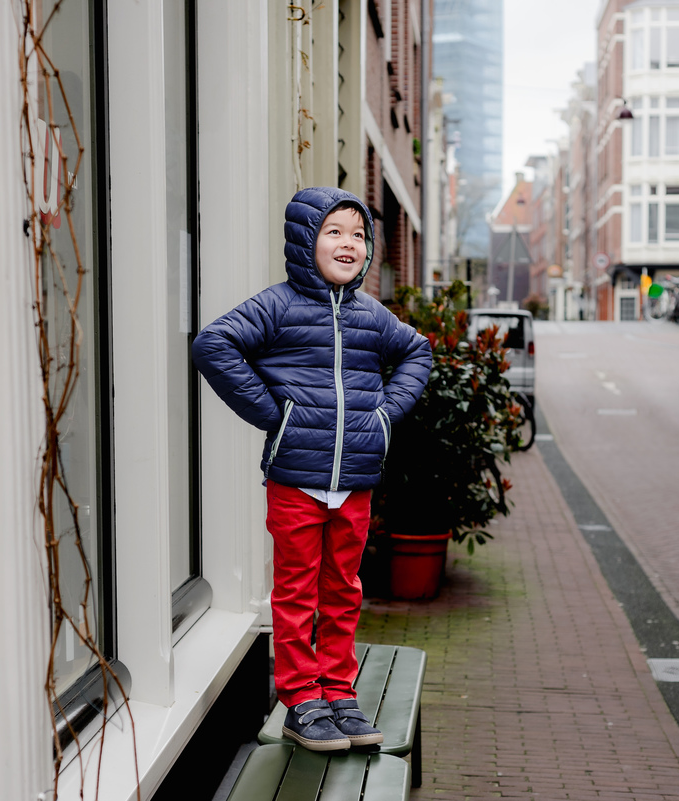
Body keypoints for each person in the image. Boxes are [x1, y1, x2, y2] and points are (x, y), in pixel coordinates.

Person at [191, 187, 432, 751]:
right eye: (334, 232)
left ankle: (338, 691)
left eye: (358, 234)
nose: (348, 244)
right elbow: (213, 344)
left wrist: (385, 415)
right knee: (298, 588)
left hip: (355, 481)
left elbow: (418, 352)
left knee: (343, 587)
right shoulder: (277, 305)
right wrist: (275, 415)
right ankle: (301, 698)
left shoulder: (372, 315)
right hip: (296, 478)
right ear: (306, 241)